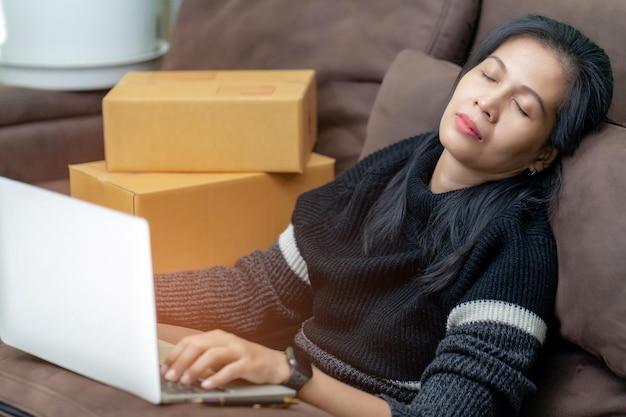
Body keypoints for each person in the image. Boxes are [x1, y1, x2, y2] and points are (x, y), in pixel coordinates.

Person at [154, 14, 613, 417]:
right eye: (489, 76)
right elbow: (262, 288)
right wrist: (123, 286)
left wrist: (288, 372)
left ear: (544, 154)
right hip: (284, 387)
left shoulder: (516, 252)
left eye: (521, 107)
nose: (487, 104)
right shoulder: (396, 165)